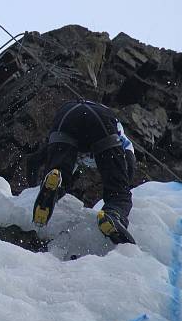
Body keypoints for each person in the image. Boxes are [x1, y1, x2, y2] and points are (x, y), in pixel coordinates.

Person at [27, 99, 137, 244]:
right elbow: (130, 160)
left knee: (59, 174)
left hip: (67, 115)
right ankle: (113, 214)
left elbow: (33, 161)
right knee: (119, 194)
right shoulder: (118, 131)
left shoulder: (75, 152)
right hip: (101, 119)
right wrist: (123, 185)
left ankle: (53, 187)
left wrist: (33, 190)